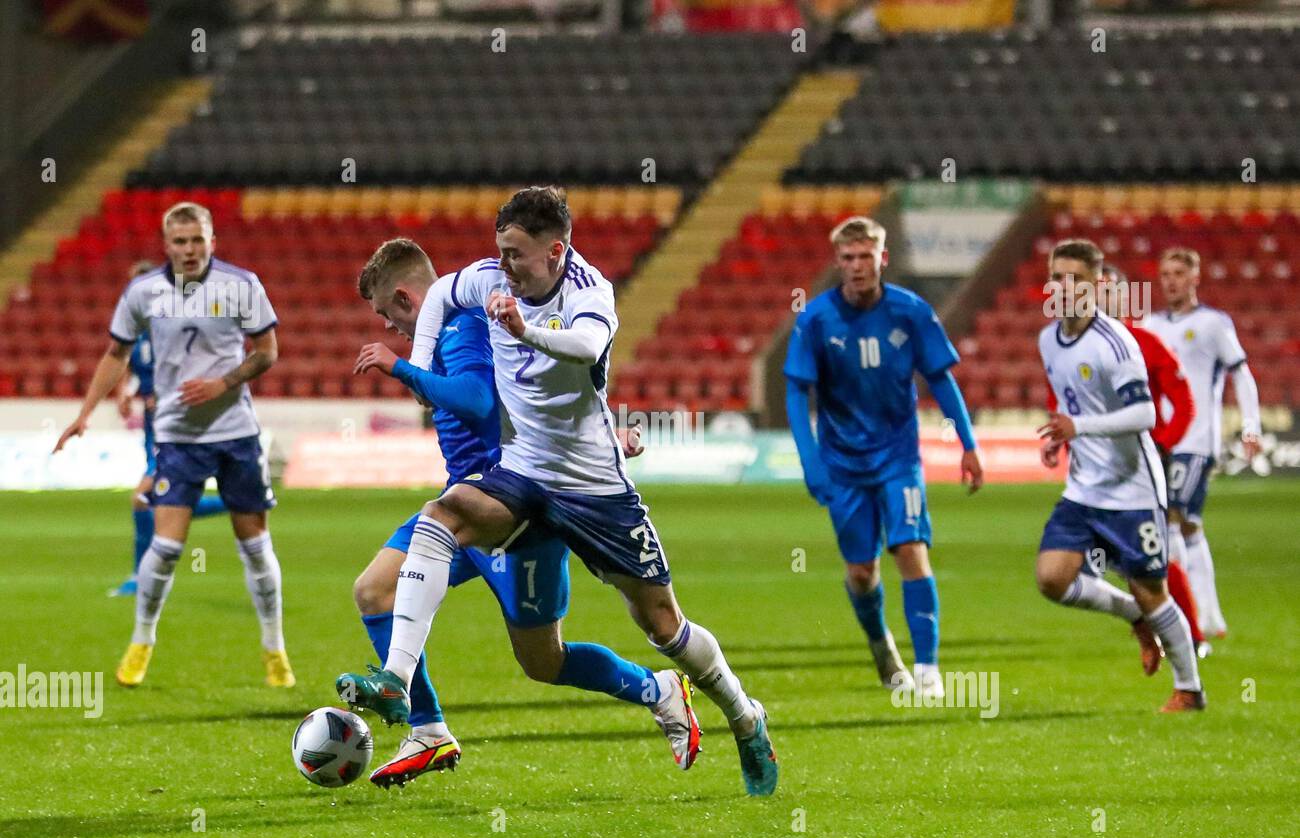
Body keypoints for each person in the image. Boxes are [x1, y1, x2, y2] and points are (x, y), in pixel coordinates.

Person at [339, 187, 778, 796]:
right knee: (440, 519)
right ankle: (402, 689)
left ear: (556, 251)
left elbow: (587, 348)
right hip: (521, 476)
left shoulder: (590, 294)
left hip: (594, 490)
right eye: (500, 252)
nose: (503, 265)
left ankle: (743, 715)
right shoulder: (486, 282)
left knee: (660, 625)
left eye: (515, 254)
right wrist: (416, 363)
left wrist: (519, 331)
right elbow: (442, 291)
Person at [54, 201, 293, 689]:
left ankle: (275, 648)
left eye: (197, 240)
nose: (189, 250)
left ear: (211, 241)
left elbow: (268, 351)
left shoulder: (242, 286)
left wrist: (222, 383)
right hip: (177, 435)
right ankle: (142, 641)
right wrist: (83, 414)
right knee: (164, 546)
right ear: (166, 246)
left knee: (254, 546)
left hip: (235, 433)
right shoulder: (143, 292)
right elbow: (114, 353)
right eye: (180, 242)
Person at [784, 216, 984, 697]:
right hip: (843, 464)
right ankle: (880, 643)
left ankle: (929, 671)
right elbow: (795, 391)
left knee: (911, 552)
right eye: (848, 258)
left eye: (865, 257)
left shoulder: (911, 312)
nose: (857, 266)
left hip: (898, 459)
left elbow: (941, 379)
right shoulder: (815, 320)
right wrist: (811, 462)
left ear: (882, 259)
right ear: (838, 262)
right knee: (861, 571)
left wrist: (969, 444)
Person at [1035, 239, 1204, 712]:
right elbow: (1073, 403)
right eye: (1058, 277)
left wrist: (1079, 426)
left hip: (1132, 490)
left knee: (1152, 589)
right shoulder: (1048, 339)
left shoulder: (1115, 343)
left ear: (1095, 286)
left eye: (1076, 279)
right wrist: (1061, 437)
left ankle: (1189, 688)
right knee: (1052, 578)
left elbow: (1146, 414)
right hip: (1085, 487)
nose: (1065, 287)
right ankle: (1135, 617)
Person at [1142, 248, 1261, 640]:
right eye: (1165, 274)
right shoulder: (1151, 325)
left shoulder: (1213, 324)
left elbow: (1241, 374)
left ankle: (1181, 615)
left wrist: (1250, 426)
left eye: (1179, 273)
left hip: (1197, 439)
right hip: (1160, 440)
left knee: (1173, 517)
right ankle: (1208, 616)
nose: (1170, 281)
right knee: (1189, 525)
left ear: (1196, 278)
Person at [108, 260, 228, 598]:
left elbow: (199, 371)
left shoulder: (177, 327)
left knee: (143, 498)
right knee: (162, 502)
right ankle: (236, 500)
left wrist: (167, 398)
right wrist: (124, 393)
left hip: (175, 428)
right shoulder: (136, 329)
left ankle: (138, 577)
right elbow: (125, 364)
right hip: (152, 429)